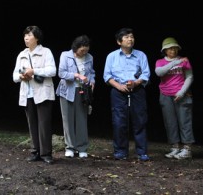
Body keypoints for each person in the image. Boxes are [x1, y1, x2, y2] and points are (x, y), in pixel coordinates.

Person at [103, 28, 151, 161]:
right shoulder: (111, 56)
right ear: (119, 42)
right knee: (119, 121)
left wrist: (136, 83)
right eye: (126, 37)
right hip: (118, 90)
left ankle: (142, 152)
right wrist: (118, 86)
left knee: (140, 120)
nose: (130, 39)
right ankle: (120, 151)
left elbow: (146, 73)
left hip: (137, 89)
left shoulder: (141, 55)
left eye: (132, 36)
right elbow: (107, 76)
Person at [13, 26, 57, 164]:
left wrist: (34, 71)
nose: (26, 37)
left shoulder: (46, 52)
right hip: (28, 93)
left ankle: (46, 154)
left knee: (44, 124)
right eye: (25, 35)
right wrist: (22, 76)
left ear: (37, 38)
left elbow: (52, 71)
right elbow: (14, 76)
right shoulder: (22, 54)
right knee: (32, 124)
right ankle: (35, 152)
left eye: (29, 35)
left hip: (43, 92)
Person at [56, 35, 95, 159]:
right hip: (67, 91)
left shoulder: (89, 57)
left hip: (82, 92)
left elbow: (92, 72)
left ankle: (82, 148)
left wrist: (92, 82)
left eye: (86, 50)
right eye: (82, 50)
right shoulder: (65, 55)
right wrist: (77, 75)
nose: (85, 52)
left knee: (82, 119)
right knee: (68, 120)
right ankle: (70, 147)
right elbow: (61, 73)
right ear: (76, 48)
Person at [155, 37, 194, 159]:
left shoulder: (184, 61)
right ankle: (175, 147)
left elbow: (190, 77)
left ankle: (187, 149)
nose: (173, 50)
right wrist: (175, 62)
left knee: (184, 121)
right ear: (165, 50)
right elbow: (159, 73)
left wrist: (182, 92)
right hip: (165, 94)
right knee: (170, 122)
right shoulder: (160, 62)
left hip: (182, 95)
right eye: (170, 48)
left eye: (175, 48)